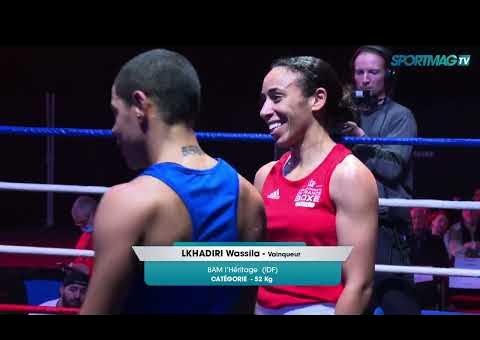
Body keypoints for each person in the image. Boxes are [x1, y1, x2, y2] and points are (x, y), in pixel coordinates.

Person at [80, 49, 266, 315]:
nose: (114, 129)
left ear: (140, 105)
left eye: (115, 112)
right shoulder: (249, 197)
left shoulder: (127, 202)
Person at [254, 56, 378, 315]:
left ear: (317, 99)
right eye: (264, 99)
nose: (264, 110)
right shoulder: (265, 175)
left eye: (276, 97)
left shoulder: (349, 175)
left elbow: (359, 285)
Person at [341, 45, 421, 315]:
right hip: (344, 221)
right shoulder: (342, 114)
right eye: (359, 72)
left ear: (387, 75)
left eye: (373, 72)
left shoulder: (401, 116)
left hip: (385, 225)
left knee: (401, 306)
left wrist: (360, 140)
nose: (365, 78)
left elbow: (392, 169)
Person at [70, 196, 98, 273]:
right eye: (78, 224)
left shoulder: (116, 230)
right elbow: (79, 261)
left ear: (95, 213)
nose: (82, 227)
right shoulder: (85, 237)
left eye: (83, 222)